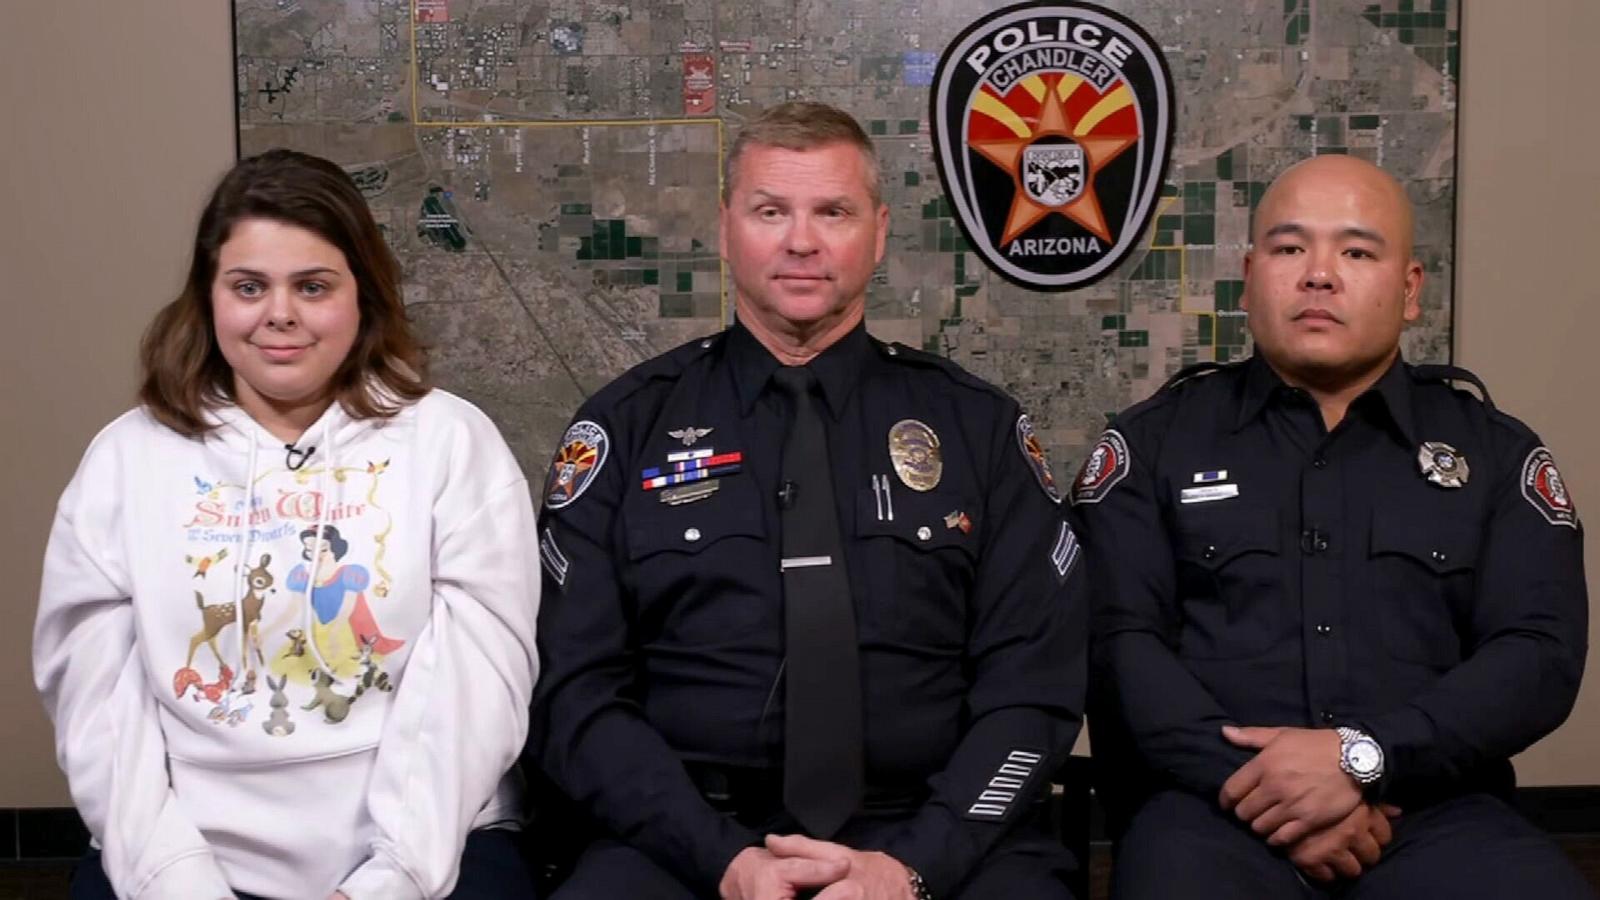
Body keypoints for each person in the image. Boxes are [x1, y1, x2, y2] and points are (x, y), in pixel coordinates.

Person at [526, 101, 1086, 899]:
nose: (801, 240)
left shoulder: (978, 430)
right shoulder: (624, 428)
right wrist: (723, 861)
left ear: (880, 232)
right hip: (682, 840)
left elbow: (1035, 688)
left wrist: (912, 867)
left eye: (833, 211)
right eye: (770, 211)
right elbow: (574, 692)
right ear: (726, 228)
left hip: (936, 834)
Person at [1076, 154, 1592, 898]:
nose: (1319, 274)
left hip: (1435, 813)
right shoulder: (1151, 446)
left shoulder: (1497, 454)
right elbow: (1114, 646)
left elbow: (1539, 655)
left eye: (1356, 251)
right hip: (1210, 813)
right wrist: (1270, 789)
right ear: (1249, 278)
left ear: (1410, 291)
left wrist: (1367, 756)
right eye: (1290, 250)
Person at [33, 149, 542, 899]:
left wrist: (390, 879)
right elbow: (97, 706)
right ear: (207, 298)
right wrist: (178, 880)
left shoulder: (451, 443)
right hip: (181, 852)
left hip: (427, 847)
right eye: (248, 286)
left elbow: (477, 690)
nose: (280, 314)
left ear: (363, 296)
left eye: (312, 286)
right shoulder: (124, 460)